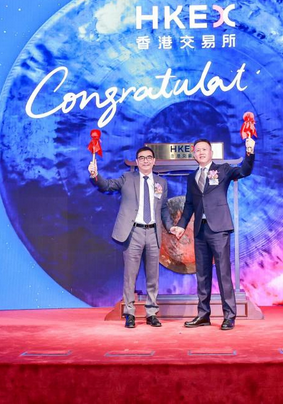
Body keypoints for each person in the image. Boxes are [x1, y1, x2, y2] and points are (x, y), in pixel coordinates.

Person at [89, 147, 185, 328]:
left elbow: (164, 208)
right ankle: (129, 313)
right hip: (133, 232)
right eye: (142, 158)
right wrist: (95, 175)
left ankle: (151, 313)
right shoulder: (127, 178)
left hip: (153, 232)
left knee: (153, 276)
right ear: (137, 161)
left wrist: (170, 226)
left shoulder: (161, 183)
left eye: (149, 157)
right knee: (130, 275)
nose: (145, 161)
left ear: (154, 161)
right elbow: (107, 185)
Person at [178, 138, 255, 330]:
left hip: (219, 229)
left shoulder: (223, 169)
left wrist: (249, 152)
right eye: (198, 150)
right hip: (200, 230)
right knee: (202, 275)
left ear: (211, 152)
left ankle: (229, 315)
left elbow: (244, 171)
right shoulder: (192, 177)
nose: (201, 152)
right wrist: (181, 225)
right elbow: (189, 204)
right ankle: (203, 315)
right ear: (194, 154)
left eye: (204, 149)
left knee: (223, 273)